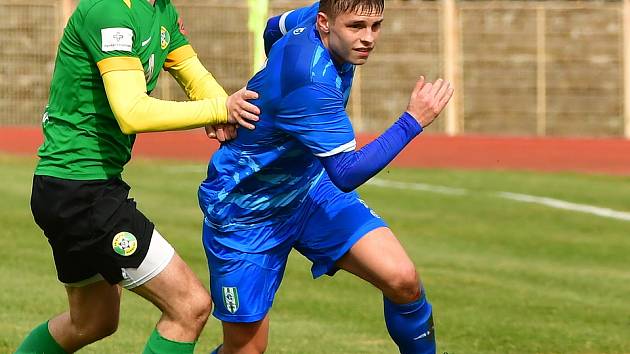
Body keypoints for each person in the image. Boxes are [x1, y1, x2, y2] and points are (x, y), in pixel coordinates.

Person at [198, 1, 454, 353]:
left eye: (376, 26)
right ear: (324, 24)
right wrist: (413, 120)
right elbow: (347, 172)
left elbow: (273, 29)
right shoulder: (310, 83)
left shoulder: (317, 16)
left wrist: (271, 94)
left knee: (403, 280)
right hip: (246, 213)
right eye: (356, 27)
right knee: (246, 350)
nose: (368, 38)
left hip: (309, 188)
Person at [15, 0, 260, 353]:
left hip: (71, 187)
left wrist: (225, 109)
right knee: (189, 307)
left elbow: (196, 77)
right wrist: (220, 108)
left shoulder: (161, 10)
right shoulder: (109, 10)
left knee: (92, 322)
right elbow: (132, 112)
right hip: (82, 191)